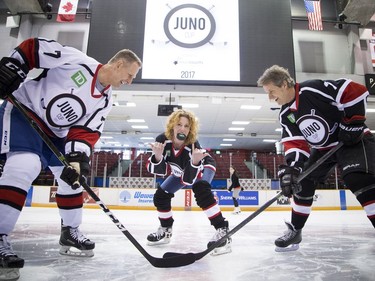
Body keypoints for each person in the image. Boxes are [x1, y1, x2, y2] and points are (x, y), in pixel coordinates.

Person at [0, 37, 142, 278]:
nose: (128, 81)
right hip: (25, 113)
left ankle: (70, 231)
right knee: (26, 165)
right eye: (129, 75)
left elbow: (84, 132)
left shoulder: (105, 101)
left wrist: (75, 161)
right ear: (118, 64)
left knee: (71, 179)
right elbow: (35, 48)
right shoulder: (78, 62)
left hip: (57, 134)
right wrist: (14, 66)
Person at [257, 65, 375, 252]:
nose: (270, 97)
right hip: (323, 149)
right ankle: (295, 230)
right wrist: (293, 169)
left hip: (352, 139)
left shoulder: (312, 89)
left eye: (271, 91)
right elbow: (296, 144)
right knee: (301, 183)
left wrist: (352, 122)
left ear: (286, 84)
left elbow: (355, 90)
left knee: (358, 178)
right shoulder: (286, 115)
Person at [146, 109, 231, 255]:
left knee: (201, 189)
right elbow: (158, 171)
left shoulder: (192, 144)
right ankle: (166, 230)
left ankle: (223, 230)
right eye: (179, 124)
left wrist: (195, 161)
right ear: (172, 125)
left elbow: (188, 179)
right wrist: (158, 157)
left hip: (201, 166)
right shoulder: (162, 139)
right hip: (180, 172)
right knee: (160, 196)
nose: (182, 129)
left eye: (187, 126)